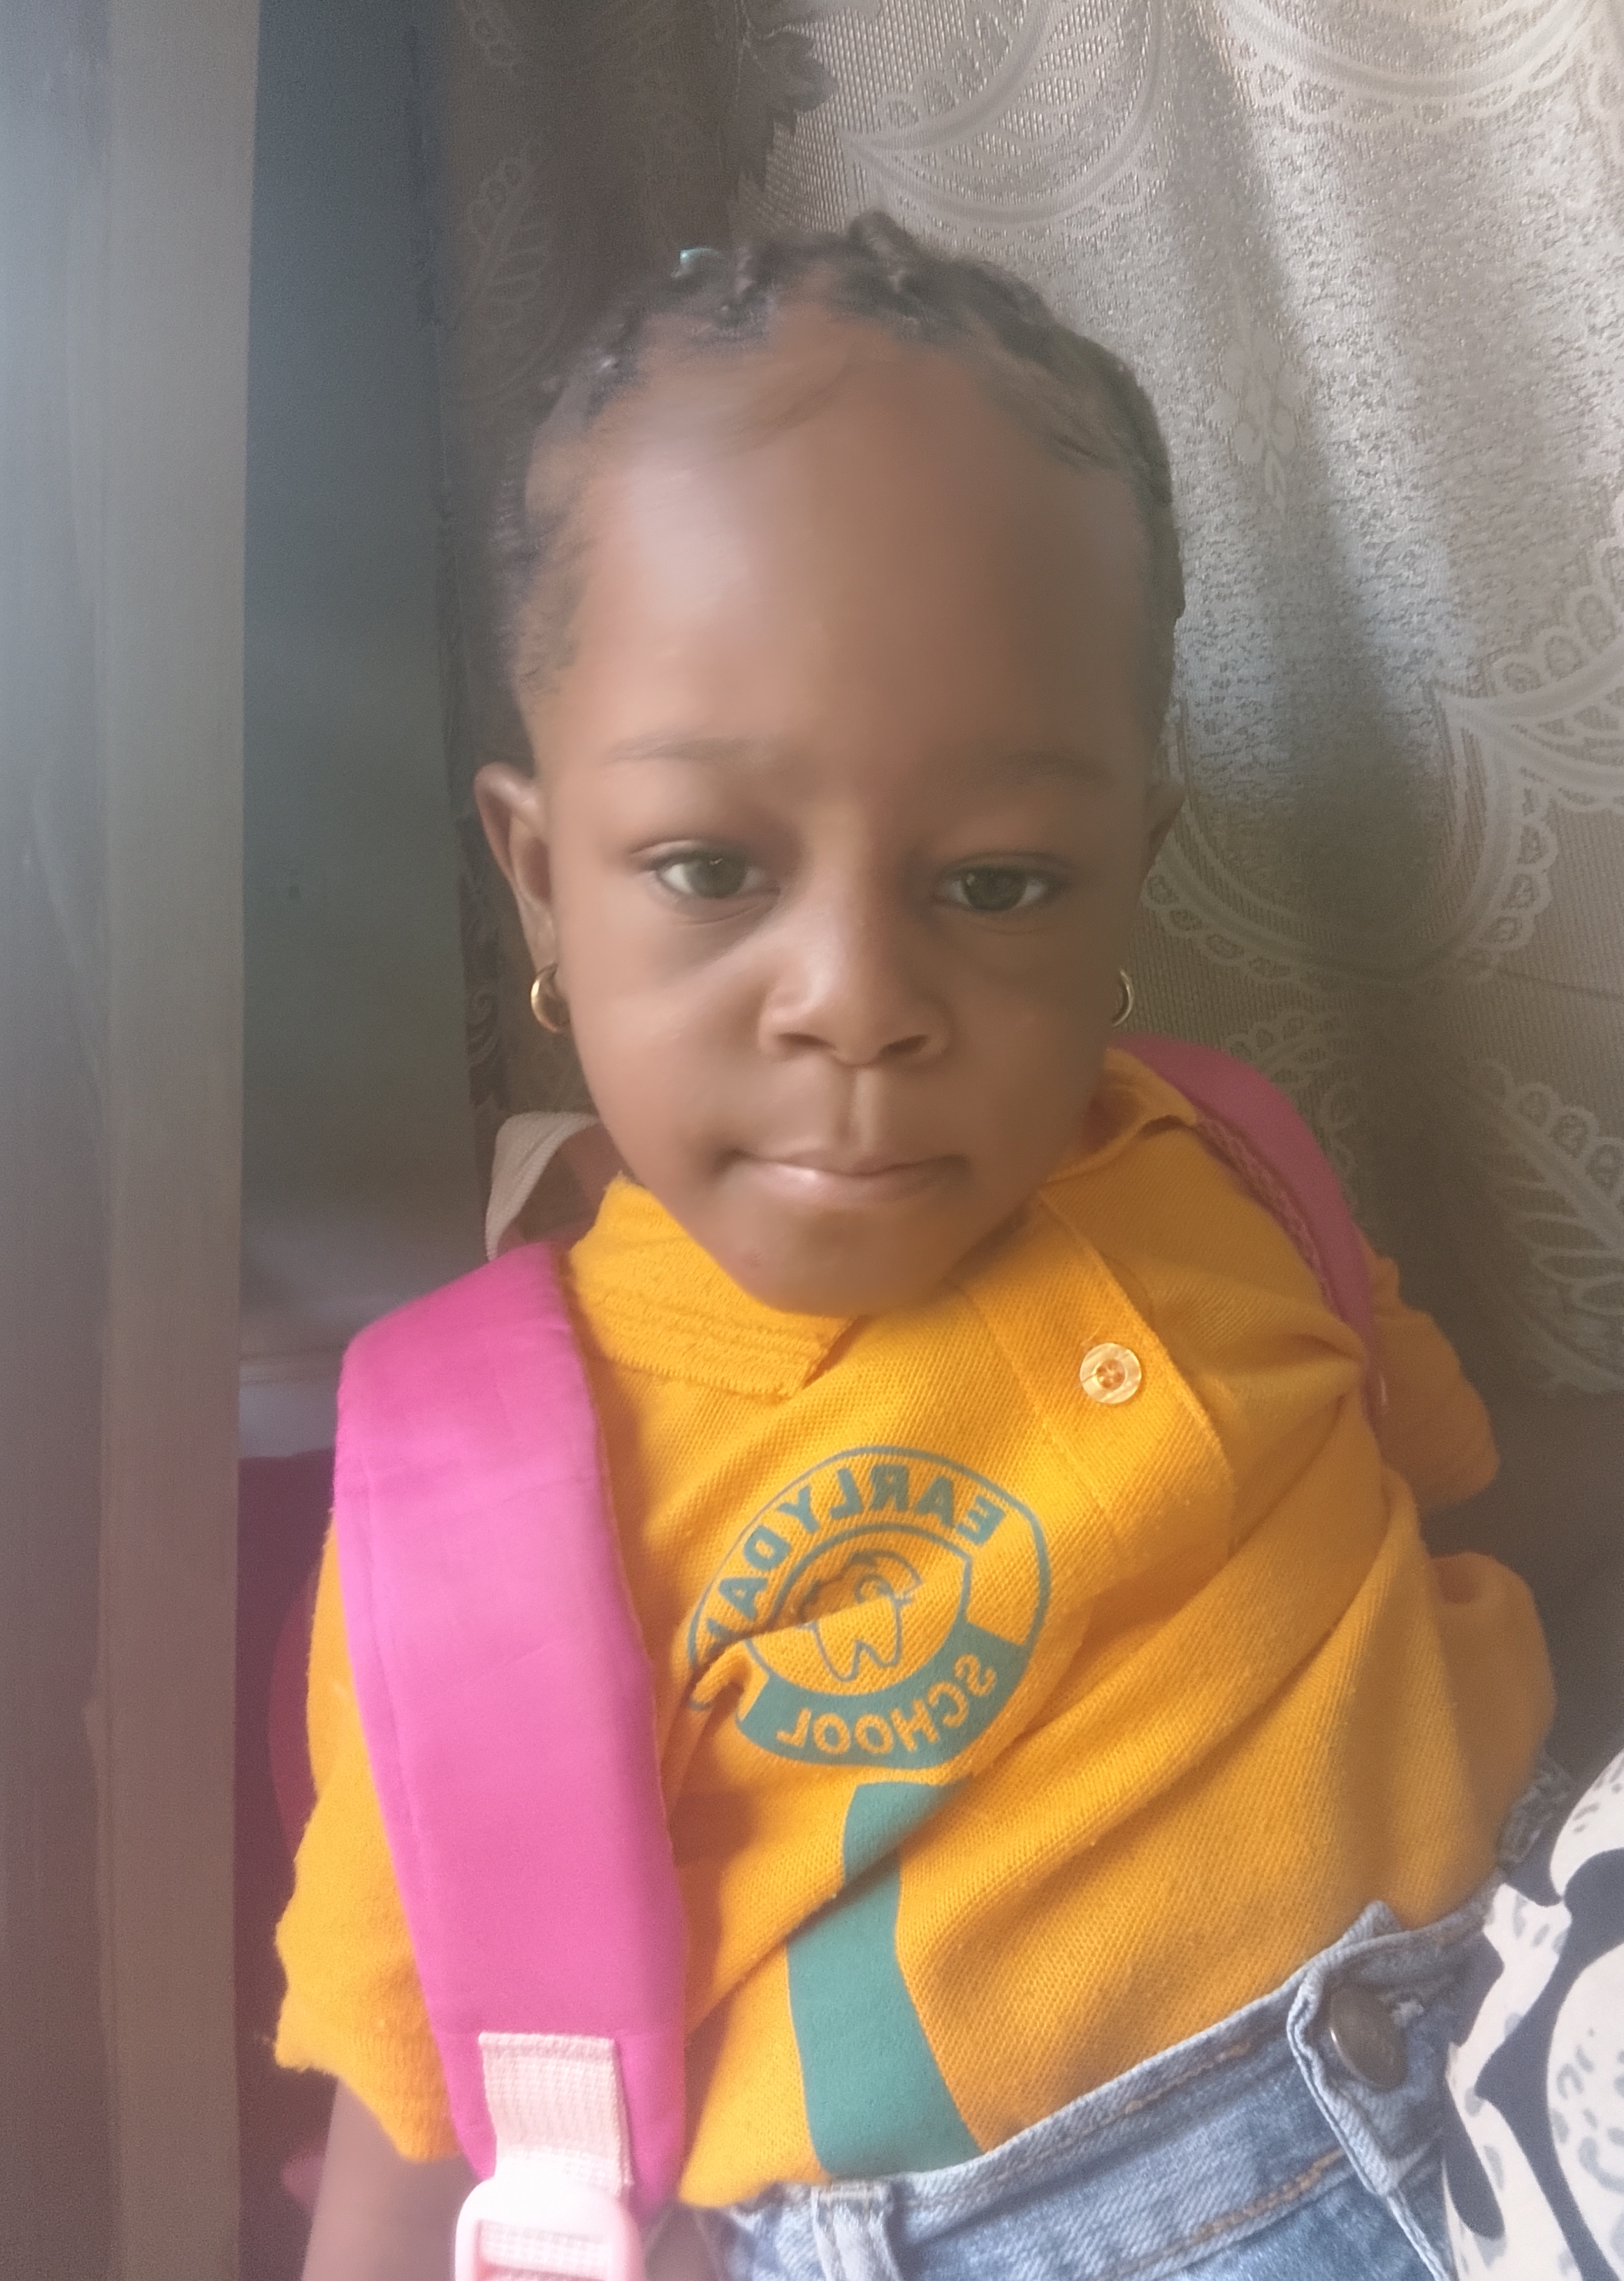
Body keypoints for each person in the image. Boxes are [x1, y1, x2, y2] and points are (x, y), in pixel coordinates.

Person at [277, 215, 1579, 2280]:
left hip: (1525, 2069)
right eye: (710, 868)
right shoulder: (488, 1490)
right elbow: (419, 2103)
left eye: (996, 884)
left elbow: (1464, 1515)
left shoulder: (1225, 1173)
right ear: (539, 881)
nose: (858, 1002)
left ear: (1128, 870)